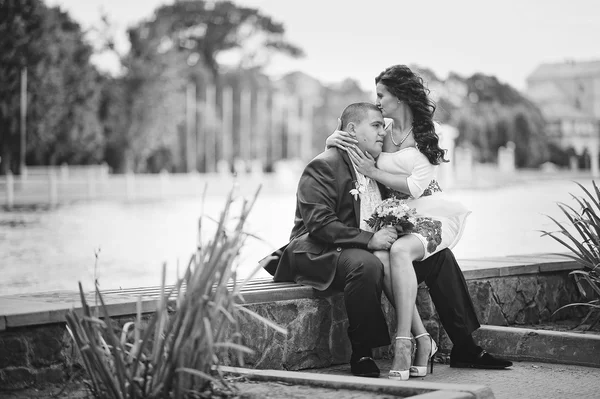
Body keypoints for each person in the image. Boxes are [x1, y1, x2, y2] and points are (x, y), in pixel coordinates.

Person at [264, 101, 511, 380]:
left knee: (439, 256)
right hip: (319, 249)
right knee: (366, 264)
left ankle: (465, 348)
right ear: (353, 130)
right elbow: (319, 225)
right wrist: (371, 239)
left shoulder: (377, 167)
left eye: (384, 125)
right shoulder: (324, 165)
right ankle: (363, 352)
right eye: (376, 125)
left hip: (368, 248)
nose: (383, 131)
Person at [324, 65, 512, 377]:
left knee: (429, 255)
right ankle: (455, 346)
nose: (378, 101)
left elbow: (417, 186)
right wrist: (333, 137)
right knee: (433, 259)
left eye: (382, 94)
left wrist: (372, 172)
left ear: (398, 96)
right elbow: (347, 133)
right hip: (399, 216)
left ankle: (443, 344)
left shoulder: (428, 132)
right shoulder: (379, 127)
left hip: (431, 209)